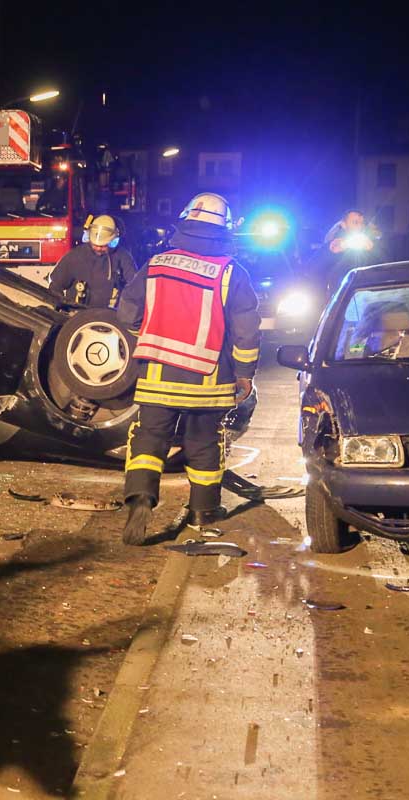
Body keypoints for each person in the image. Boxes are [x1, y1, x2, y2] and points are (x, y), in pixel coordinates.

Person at [116, 192, 262, 545]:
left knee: (149, 437)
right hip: (209, 377)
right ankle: (202, 512)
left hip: (157, 374)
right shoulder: (231, 272)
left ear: (185, 220)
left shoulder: (156, 264)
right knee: (204, 442)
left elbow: (128, 312)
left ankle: (141, 498)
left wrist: (146, 338)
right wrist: (244, 373)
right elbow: (246, 328)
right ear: (225, 229)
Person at [48, 214, 137, 307]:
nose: (98, 248)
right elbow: (55, 286)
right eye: (95, 244)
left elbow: (135, 287)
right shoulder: (75, 256)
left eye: (103, 246)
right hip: (78, 314)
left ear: (113, 242)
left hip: (110, 315)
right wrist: (61, 308)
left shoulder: (123, 258)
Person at [317, 209, 383, 292]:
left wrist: (373, 249)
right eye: (355, 222)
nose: (360, 226)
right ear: (343, 225)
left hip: (366, 294)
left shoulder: (370, 243)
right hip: (341, 294)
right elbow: (315, 269)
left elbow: (385, 265)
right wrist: (331, 252)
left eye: (362, 223)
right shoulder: (335, 244)